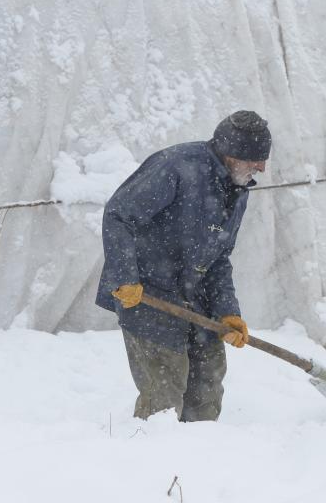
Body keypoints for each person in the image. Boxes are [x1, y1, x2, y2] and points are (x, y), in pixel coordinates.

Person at [96, 110, 271, 420]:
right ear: (232, 155)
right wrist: (124, 276)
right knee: (162, 402)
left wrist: (228, 311)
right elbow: (118, 215)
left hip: (197, 305)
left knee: (207, 394)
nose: (261, 167)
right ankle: (152, 462)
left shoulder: (238, 189)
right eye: (255, 159)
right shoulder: (175, 166)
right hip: (148, 297)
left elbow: (218, 258)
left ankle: (197, 463)